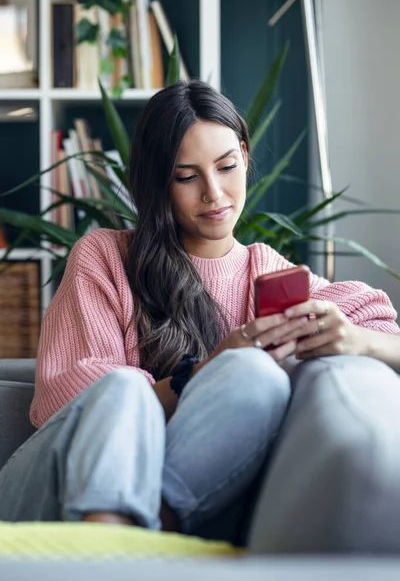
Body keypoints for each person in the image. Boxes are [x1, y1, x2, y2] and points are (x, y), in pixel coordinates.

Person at [1, 79, 400, 552]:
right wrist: (204, 374)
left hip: (182, 498)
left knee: (257, 375)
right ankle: (110, 539)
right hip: (56, 485)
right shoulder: (104, 256)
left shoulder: (267, 272)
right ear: (157, 181)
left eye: (227, 166)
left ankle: (127, 542)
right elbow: (66, 401)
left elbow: (380, 323)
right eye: (187, 177)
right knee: (125, 387)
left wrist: (355, 340)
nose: (214, 193)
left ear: (245, 157)